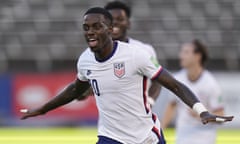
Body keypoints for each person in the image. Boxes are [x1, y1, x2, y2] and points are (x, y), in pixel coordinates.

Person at [21, 7, 233, 144]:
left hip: (145, 135)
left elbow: (174, 85)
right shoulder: (85, 60)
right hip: (110, 136)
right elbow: (75, 89)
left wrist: (202, 110)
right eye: (86, 28)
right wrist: (43, 109)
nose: (90, 32)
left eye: (96, 26)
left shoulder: (135, 55)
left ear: (110, 29)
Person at [77, 1, 160, 105]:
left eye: (120, 19)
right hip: (108, 120)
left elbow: (158, 79)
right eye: (111, 19)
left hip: (139, 116)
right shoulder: (90, 54)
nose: (115, 22)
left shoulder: (144, 50)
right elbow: (79, 92)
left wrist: (149, 102)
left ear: (128, 23)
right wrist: (84, 92)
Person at [161, 40, 225, 144]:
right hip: (182, 138)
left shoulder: (211, 84)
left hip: (205, 139)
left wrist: (202, 114)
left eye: (186, 52)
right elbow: (171, 106)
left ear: (197, 56)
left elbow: (221, 116)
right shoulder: (177, 79)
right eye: (181, 52)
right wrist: (161, 129)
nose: (181, 56)